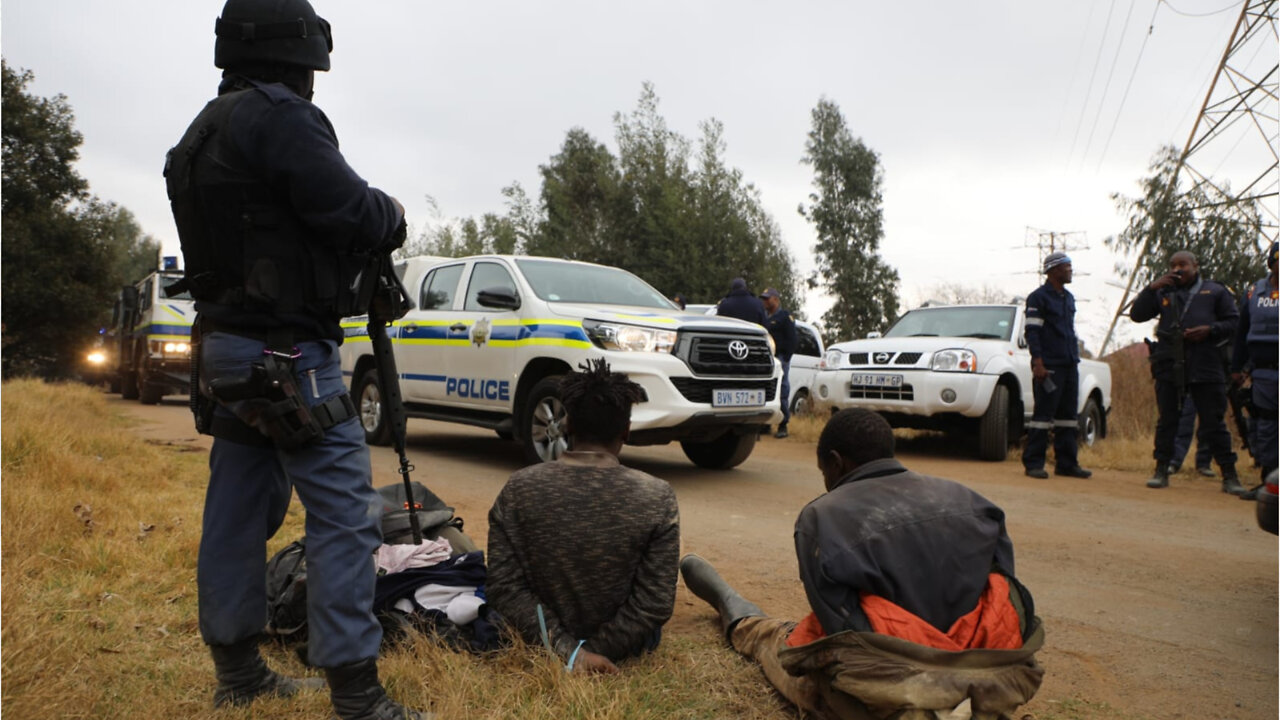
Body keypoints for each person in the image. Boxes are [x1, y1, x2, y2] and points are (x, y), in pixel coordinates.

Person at [164, 2, 426, 717]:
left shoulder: (201, 129)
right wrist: (392, 210)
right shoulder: (281, 118)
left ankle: (239, 673)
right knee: (344, 515)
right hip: (290, 355)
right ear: (300, 53)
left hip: (224, 350)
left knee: (239, 510)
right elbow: (349, 209)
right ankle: (358, 695)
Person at [681, 409, 1043, 719]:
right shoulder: (976, 502)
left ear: (836, 462)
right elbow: (1004, 606)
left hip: (898, 692)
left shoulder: (821, 518)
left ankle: (737, 613)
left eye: (824, 471)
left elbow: (844, 642)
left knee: (778, 641)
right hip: (985, 681)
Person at [487, 359, 680, 673]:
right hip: (628, 648)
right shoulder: (656, 497)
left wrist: (568, 651)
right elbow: (654, 603)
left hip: (536, 640)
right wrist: (592, 652)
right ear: (627, 431)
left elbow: (504, 588)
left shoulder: (519, 488)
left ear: (567, 426)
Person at [1130, 251, 1243, 493]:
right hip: (1170, 363)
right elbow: (1137, 315)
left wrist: (1210, 329)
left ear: (1195, 265)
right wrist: (1151, 288)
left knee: (1213, 422)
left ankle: (1229, 475)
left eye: (1183, 264)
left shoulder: (1215, 291)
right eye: (1173, 265)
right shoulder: (1163, 292)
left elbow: (1235, 323)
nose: (1177, 269)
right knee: (1168, 420)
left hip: (1205, 363)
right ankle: (1161, 470)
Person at [1022, 252, 1092, 479]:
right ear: (1053, 270)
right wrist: (1038, 363)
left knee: (1068, 417)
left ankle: (1066, 464)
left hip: (1070, 363)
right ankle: (1034, 463)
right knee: (1043, 417)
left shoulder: (1069, 298)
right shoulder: (1038, 298)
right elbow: (1033, 332)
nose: (1070, 271)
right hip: (1049, 365)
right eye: (1067, 267)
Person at [1232, 241, 1279, 500]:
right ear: (1272, 262)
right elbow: (1241, 334)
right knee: (1265, 427)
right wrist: (1236, 368)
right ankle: (1268, 484)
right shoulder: (1253, 293)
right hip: (1263, 374)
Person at [760, 287, 798, 438]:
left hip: (780, 358)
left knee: (782, 390)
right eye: (763, 298)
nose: (764, 301)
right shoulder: (764, 316)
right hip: (765, 358)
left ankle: (783, 425)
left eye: (767, 298)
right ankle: (766, 423)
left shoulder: (784, 316)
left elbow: (792, 339)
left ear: (775, 299)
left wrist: (786, 358)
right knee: (766, 390)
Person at [1167, 396, 1216, 477]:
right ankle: (1174, 461)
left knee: (1209, 422)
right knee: (1184, 421)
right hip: (1189, 387)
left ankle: (1204, 463)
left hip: (1210, 386)